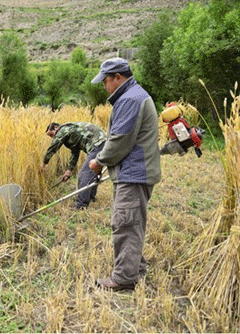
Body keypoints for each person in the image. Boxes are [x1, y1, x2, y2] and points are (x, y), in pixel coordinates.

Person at [89, 57, 161, 291]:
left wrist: (99, 161)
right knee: (132, 221)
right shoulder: (133, 95)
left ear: (118, 78)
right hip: (133, 172)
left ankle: (123, 278)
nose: (104, 86)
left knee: (125, 223)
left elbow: (120, 140)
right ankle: (135, 267)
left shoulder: (130, 99)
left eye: (105, 81)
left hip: (134, 173)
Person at [41, 122, 106, 209]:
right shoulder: (71, 131)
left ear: (56, 127)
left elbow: (54, 146)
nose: (53, 137)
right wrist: (69, 171)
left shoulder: (63, 129)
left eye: (51, 134)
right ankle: (91, 198)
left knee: (84, 174)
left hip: (98, 144)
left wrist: (44, 163)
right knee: (94, 171)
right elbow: (75, 152)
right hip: (103, 143)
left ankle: (81, 205)